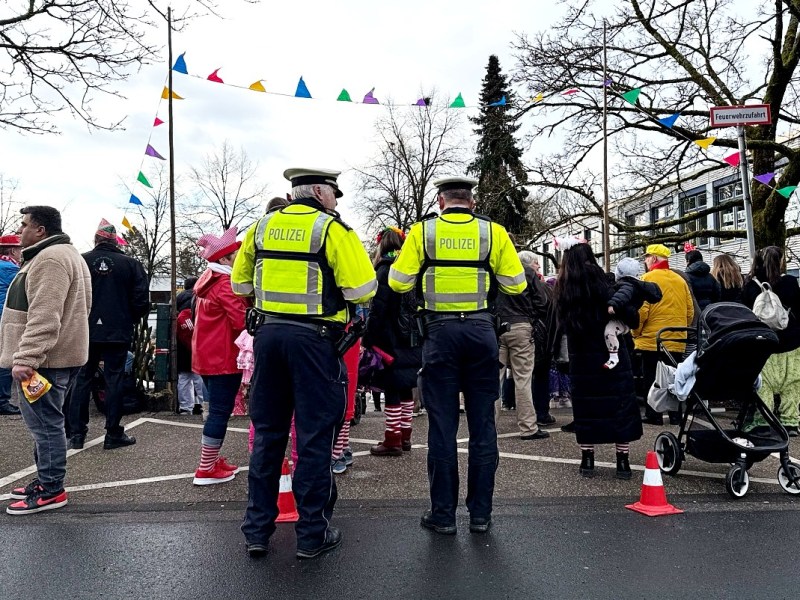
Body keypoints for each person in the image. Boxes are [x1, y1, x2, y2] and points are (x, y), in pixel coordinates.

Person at [233, 168, 376, 559]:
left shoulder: (261, 226)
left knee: (267, 435)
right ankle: (312, 534)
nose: (336, 200)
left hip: (268, 338)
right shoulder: (333, 230)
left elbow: (240, 285)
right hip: (315, 343)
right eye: (334, 193)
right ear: (318, 191)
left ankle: (257, 532)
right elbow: (361, 288)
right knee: (312, 439)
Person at [389, 176, 527, 535]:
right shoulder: (493, 233)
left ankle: (443, 515)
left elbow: (397, 282)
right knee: (484, 427)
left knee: (442, 427)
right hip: (482, 333)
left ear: (440, 200)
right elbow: (517, 284)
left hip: (439, 334)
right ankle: (481, 515)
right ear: (473, 201)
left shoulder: (423, 232)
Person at [2, 206, 91, 515]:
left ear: (40, 230)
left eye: (24, 225)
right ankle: (46, 480)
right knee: (47, 422)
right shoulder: (63, 255)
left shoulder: (50, 260)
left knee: (46, 425)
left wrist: (26, 357)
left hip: (46, 361)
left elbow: (44, 316)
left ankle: (52, 489)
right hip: (57, 356)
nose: (20, 230)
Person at [555, 242, 642, 479]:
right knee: (620, 405)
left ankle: (587, 460)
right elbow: (631, 317)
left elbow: (561, 325)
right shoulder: (606, 284)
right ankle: (622, 462)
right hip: (611, 353)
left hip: (581, 357)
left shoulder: (564, 289)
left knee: (586, 408)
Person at [65, 219, 149, 450]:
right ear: (115, 241)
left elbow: (67, 295)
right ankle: (113, 433)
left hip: (85, 329)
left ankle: (76, 434)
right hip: (117, 330)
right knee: (114, 379)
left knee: (82, 378)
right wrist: (125, 318)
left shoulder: (80, 260)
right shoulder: (131, 264)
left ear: (96, 240)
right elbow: (142, 301)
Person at [190, 226, 249, 485]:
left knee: (216, 410)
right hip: (223, 358)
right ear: (224, 259)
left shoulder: (208, 280)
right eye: (234, 253)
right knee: (219, 413)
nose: (239, 256)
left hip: (206, 357)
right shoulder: (225, 284)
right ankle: (205, 468)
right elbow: (240, 321)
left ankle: (212, 460)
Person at [363, 226, 422, 456]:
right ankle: (405, 436)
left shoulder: (383, 271)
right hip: (412, 337)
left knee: (392, 390)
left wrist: (369, 337)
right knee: (407, 386)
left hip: (390, 339)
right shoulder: (410, 269)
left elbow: (378, 310)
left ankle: (392, 438)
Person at [741, 246, 800, 436]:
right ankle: (790, 422)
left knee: (763, 385)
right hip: (792, 342)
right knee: (792, 384)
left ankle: (762, 421)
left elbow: (742, 311)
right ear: (780, 261)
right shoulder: (791, 282)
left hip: (763, 343)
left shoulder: (751, 284)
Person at [633, 244, 694, 426]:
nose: (645, 261)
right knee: (674, 378)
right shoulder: (680, 280)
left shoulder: (646, 279)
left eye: (646, 258)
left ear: (653, 259)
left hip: (652, 339)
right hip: (676, 338)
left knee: (652, 378)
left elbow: (641, 311)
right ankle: (675, 415)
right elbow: (690, 311)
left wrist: (636, 333)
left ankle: (654, 414)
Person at [494, 249, 549, 440]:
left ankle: (488, 425)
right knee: (523, 378)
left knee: (494, 378)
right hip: (522, 325)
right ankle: (528, 427)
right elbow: (543, 303)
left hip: (497, 326)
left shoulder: (496, 270)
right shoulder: (528, 273)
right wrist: (531, 318)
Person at [603, 257, 662, 370]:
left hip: (642, 335)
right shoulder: (638, 285)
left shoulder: (626, 284)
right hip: (655, 334)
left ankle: (613, 358)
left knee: (609, 332)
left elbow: (624, 295)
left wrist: (612, 305)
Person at [0, 235, 22, 415]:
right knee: (5, 361)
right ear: (12, 250)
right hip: (4, 320)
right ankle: (2, 400)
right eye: (19, 250)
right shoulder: (11, 270)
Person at [176, 277, 204, 416]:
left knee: (184, 377)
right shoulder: (197, 297)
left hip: (181, 346)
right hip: (196, 344)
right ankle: (203, 404)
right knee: (199, 377)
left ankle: (185, 407)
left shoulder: (177, 299)